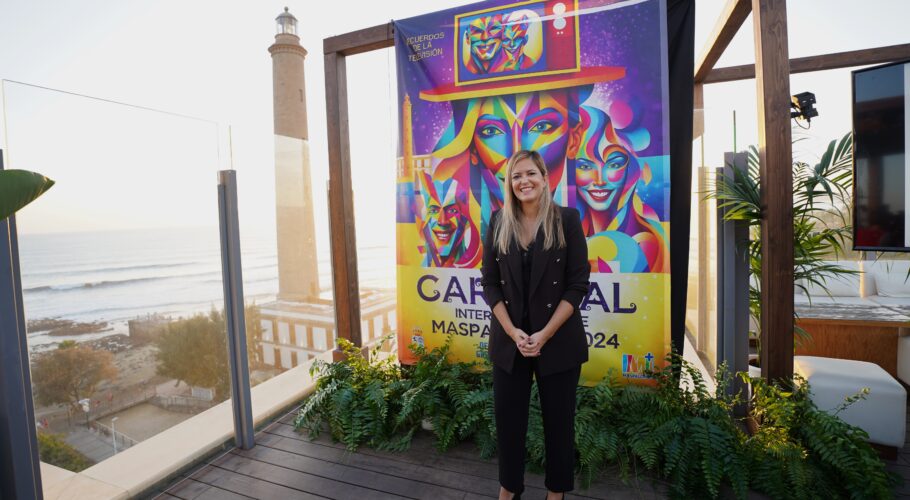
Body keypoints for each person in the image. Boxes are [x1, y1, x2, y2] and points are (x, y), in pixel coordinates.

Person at [480, 150, 590, 500]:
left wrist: (544, 334)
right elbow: (489, 283)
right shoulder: (498, 222)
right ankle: (509, 488)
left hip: (557, 340)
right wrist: (512, 331)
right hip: (510, 342)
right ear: (509, 184)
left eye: (530, 174)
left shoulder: (567, 220)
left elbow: (577, 284)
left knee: (559, 422)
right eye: (516, 176)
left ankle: (556, 493)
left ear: (544, 178)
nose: (523, 181)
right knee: (508, 423)